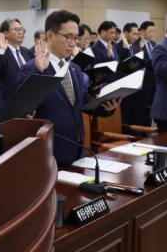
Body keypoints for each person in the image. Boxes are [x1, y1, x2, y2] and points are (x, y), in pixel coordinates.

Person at [18, 10, 121, 165]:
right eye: (68, 37)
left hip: (78, 145)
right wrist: (40, 71)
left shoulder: (73, 68)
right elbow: (23, 107)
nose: (73, 43)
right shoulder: (31, 68)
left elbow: (82, 101)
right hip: (49, 150)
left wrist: (105, 106)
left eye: (76, 38)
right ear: (50, 36)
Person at [0, 18, 32, 102]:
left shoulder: (25, 51)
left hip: (28, 98)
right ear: (6, 33)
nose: (20, 32)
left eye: (21, 29)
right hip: (10, 100)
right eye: (16, 29)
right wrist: (1, 50)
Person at [131, 21, 157, 128]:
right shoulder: (136, 44)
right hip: (142, 80)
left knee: (150, 107)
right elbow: (142, 61)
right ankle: (139, 130)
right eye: (149, 31)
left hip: (153, 80)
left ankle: (147, 128)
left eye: (153, 32)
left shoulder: (154, 44)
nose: (151, 34)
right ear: (142, 31)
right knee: (140, 107)